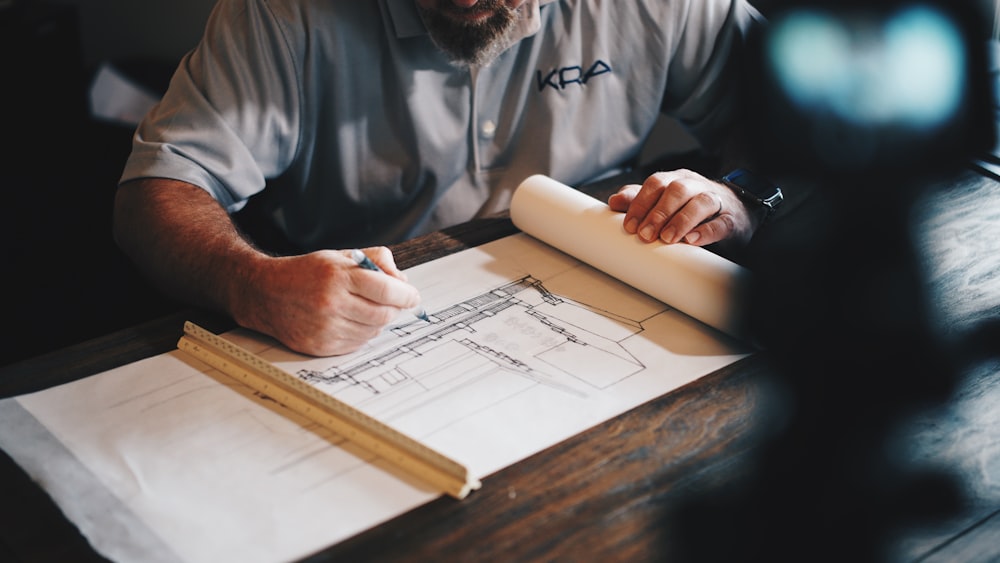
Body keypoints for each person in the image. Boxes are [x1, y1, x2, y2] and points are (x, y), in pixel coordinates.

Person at [114, 0, 770, 357]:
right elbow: (157, 191)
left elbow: (815, 126)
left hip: (615, 321)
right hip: (361, 328)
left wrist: (740, 194)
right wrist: (248, 282)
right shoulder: (283, 15)